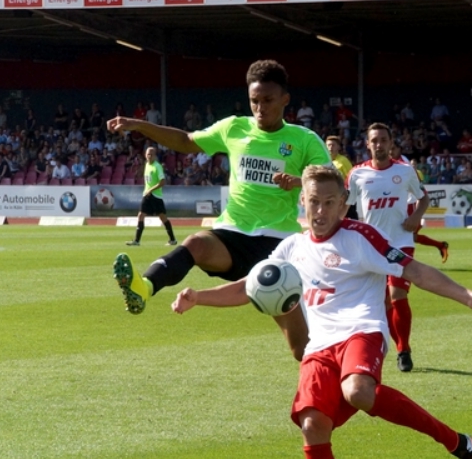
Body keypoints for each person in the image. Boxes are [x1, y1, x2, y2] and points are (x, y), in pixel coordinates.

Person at [170, 164, 472, 459]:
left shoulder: (361, 237)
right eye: (314, 201)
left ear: (344, 204)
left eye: (330, 202)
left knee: (358, 391)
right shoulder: (291, 248)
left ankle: (457, 443)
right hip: (320, 348)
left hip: (361, 333)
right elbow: (249, 287)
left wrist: (468, 295)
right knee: (312, 426)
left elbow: (415, 270)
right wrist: (199, 298)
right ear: (303, 201)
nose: (320, 210)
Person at [107, 59, 328, 361]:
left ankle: (325, 383)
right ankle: (143, 288)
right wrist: (141, 126)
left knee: (302, 347)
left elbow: (332, 184)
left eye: (268, 100)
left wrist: (301, 181)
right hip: (232, 235)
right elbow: (186, 141)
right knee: (196, 243)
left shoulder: (304, 140)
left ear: (285, 100)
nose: (260, 108)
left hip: (280, 246)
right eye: (254, 101)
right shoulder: (234, 128)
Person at [347, 123, 430, 372]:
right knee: (382, 303)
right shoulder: (357, 174)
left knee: (397, 295)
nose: (379, 145)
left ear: (391, 143)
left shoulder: (405, 172)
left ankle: (403, 350)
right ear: (368, 144)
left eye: (384, 140)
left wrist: (416, 217)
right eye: (375, 140)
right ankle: (397, 346)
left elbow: (423, 198)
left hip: (401, 242)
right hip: (371, 245)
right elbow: (346, 205)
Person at [126, 146, 178, 247]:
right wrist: (147, 190)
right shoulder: (147, 165)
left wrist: (151, 189)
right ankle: (136, 241)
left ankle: (172, 240)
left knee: (163, 217)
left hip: (156, 196)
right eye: (147, 154)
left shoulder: (157, 166)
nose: (149, 156)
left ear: (154, 156)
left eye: (151, 154)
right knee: (140, 215)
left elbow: (162, 182)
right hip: (147, 194)